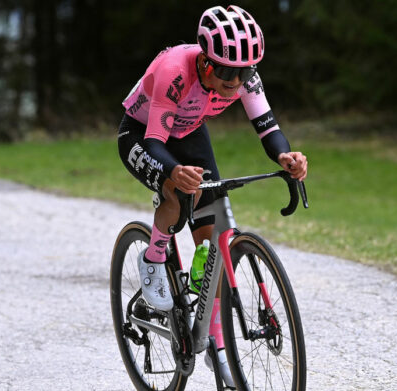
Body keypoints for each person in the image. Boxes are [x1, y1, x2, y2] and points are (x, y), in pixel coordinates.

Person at [117, 5, 307, 387]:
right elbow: (155, 141)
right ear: (204, 62)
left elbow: (268, 127)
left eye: (245, 72)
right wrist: (173, 172)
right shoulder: (175, 71)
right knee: (175, 193)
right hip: (142, 134)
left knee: (213, 219)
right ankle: (154, 257)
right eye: (225, 72)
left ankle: (213, 343)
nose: (235, 82)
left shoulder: (244, 78)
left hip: (189, 132)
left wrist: (285, 156)